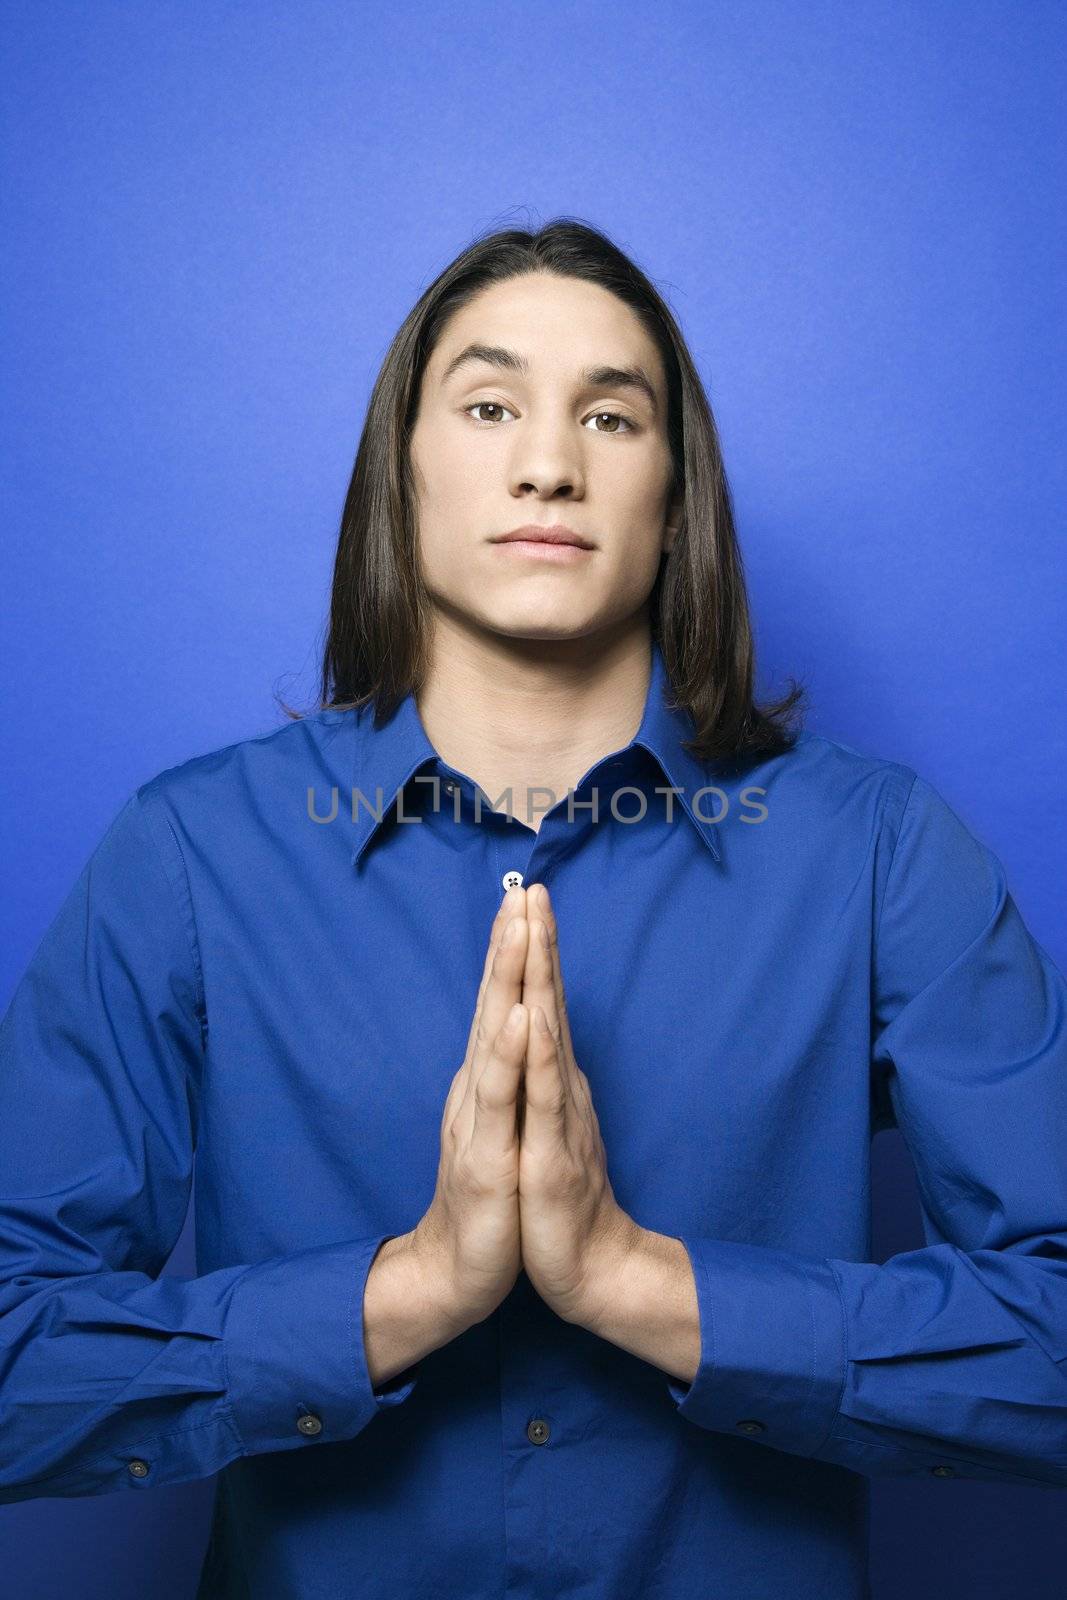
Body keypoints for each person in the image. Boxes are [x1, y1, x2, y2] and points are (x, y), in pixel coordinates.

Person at [1, 219, 1064, 1600]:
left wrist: (636, 1283)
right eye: (490, 404)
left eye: (612, 416)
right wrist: (407, 1294)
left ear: (678, 496)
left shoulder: (879, 851)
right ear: (406, 474)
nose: (549, 461)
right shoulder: (191, 853)